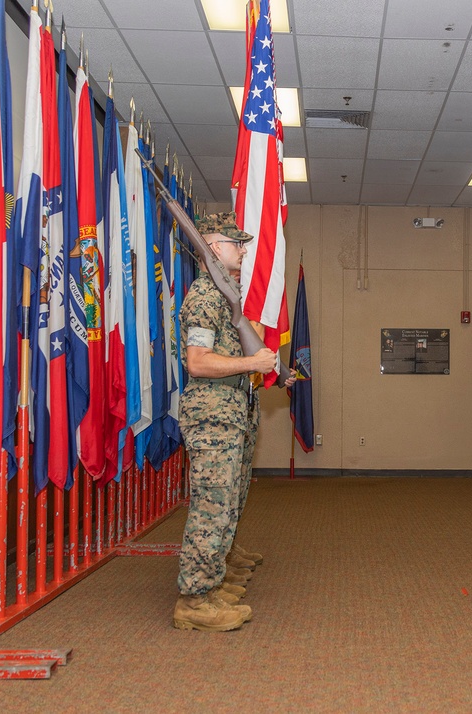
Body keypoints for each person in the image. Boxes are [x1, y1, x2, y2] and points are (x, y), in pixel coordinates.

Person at [173, 211, 282, 632]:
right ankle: (195, 600)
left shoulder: (222, 296)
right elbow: (197, 363)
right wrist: (252, 361)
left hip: (229, 413)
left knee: (225, 503)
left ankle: (211, 582)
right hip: (212, 417)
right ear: (214, 247)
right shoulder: (203, 298)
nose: (243, 250)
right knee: (210, 508)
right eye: (236, 243)